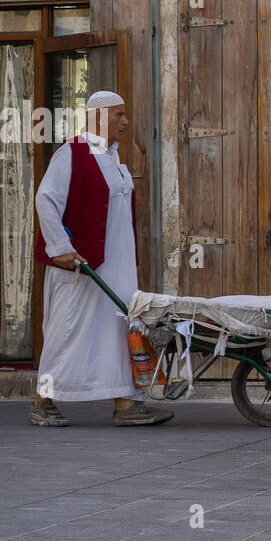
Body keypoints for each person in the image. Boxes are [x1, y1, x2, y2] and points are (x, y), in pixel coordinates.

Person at [29, 91, 173, 427]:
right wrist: (60, 247)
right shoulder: (72, 152)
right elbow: (46, 200)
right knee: (66, 332)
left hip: (117, 268)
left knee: (117, 331)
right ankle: (42, 400)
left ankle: (126, 403)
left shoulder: (112, 158)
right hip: (82, 265)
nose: (125, 122)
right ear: (98, 115)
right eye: (119, 115)